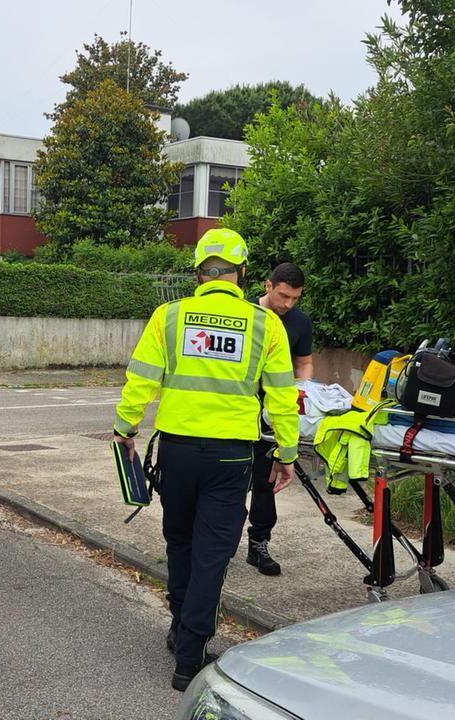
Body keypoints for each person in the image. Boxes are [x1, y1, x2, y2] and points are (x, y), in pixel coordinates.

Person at [112, 229, 300, 691]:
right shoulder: (264, 324)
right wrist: (287, 454)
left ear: (198, 271)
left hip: (176, 452)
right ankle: (191, 652)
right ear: (241, 274)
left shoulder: (169, 316)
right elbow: (281, 396)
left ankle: (180, 629)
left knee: (179, 541)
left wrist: (124, 431)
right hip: (232, 458)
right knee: (212, 553)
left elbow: (140, 381)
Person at [245, 262, 314, 575]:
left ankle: (258, 543)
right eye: (284, 296)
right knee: (230, 482)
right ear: (268, 286)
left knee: (266, 479)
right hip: (239, 410)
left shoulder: (300, 323)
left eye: (295, 299)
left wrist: (301, 392)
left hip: (273, 415)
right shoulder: (243, 314)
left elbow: (304, 363)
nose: (288, 304)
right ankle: (216, 541)